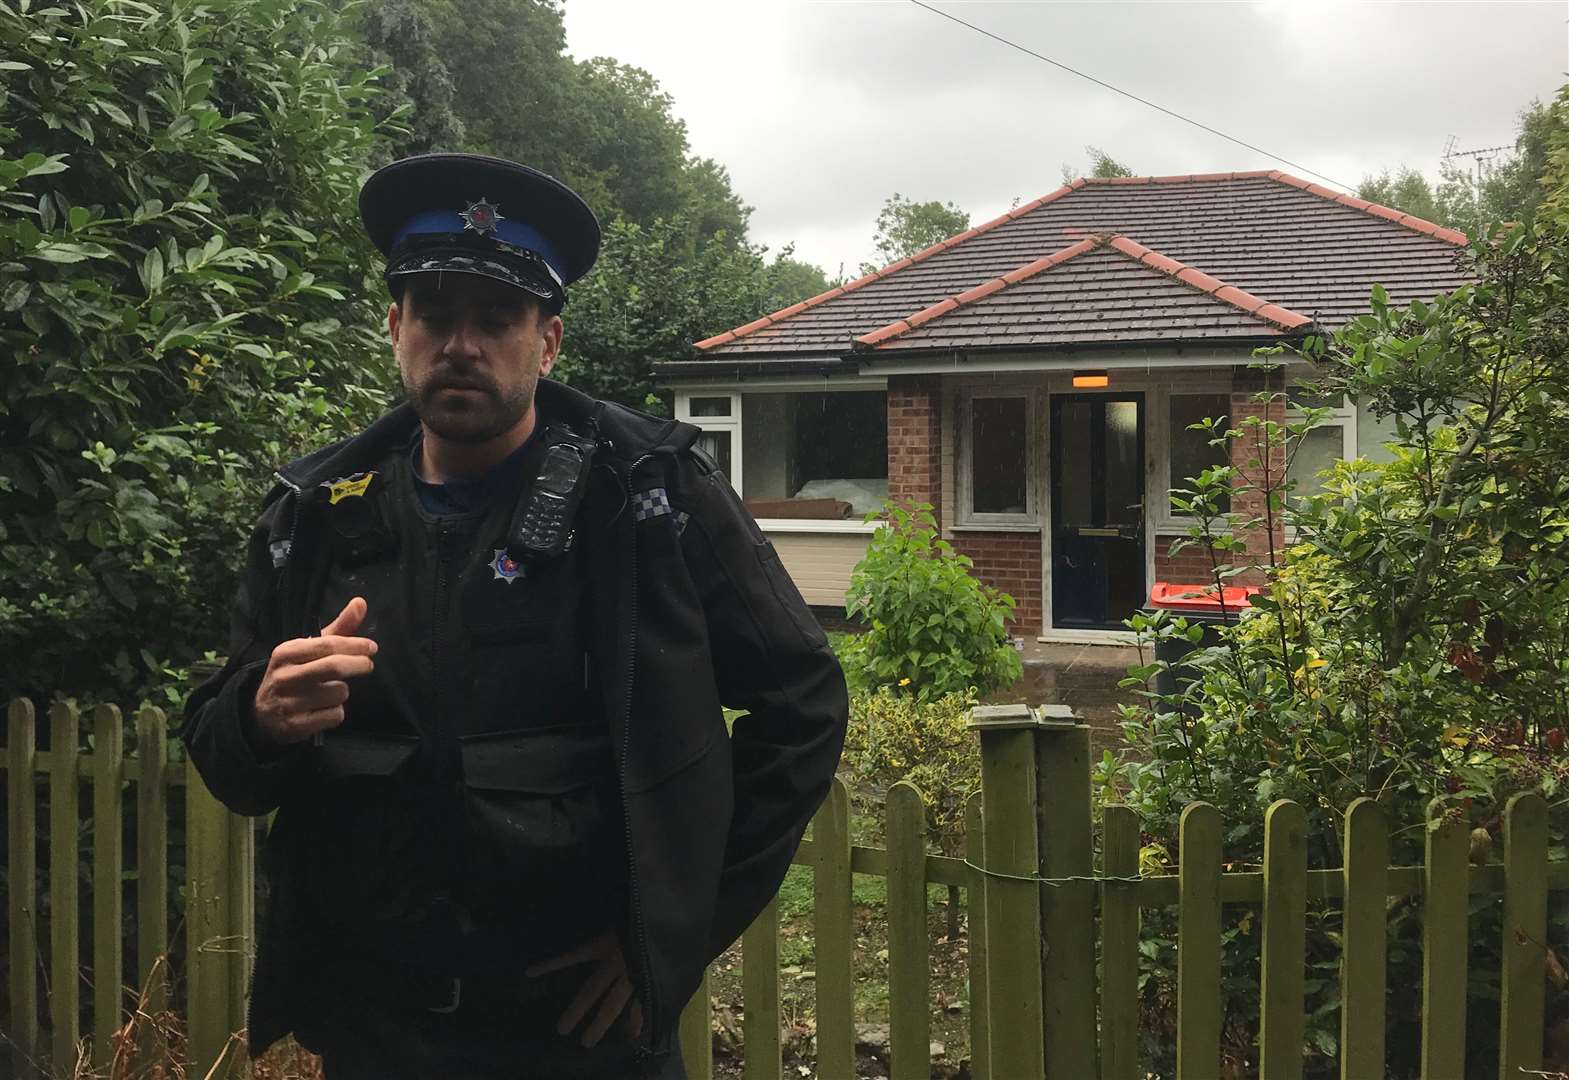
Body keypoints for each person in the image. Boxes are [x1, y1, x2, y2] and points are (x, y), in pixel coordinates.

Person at [182, 152, 849, 1080]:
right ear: (394, 328)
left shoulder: (648, 495)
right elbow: (226, 758)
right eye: (436, 314)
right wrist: (260, 718)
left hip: (578, 1038)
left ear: (548, 343)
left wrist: (670, 929)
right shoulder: (316, 514)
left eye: (496, 318)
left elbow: (803, 702)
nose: (463, 343)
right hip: (375, 1032)